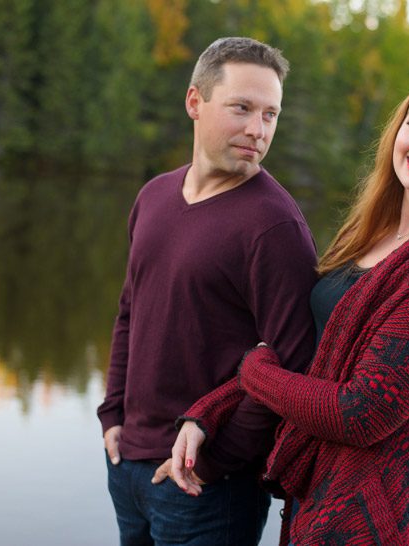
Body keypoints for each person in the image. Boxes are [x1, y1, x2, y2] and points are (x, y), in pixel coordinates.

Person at [170, 68, 409, 545]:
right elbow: (316, 356)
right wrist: (211, 411)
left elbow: (359, 413)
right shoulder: (373, 236)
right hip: (326, 502)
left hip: (384, 523)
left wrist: (253, 371)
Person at [97, 37, 318, 546]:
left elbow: (290, 366)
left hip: (207, 491)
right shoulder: (153, 196)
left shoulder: (274, 226)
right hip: (127, 464)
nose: (257, 130)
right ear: (195, 101)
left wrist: (216, 463)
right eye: (242, 108)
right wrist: (112, 415)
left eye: (270, 115)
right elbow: (131, 311)